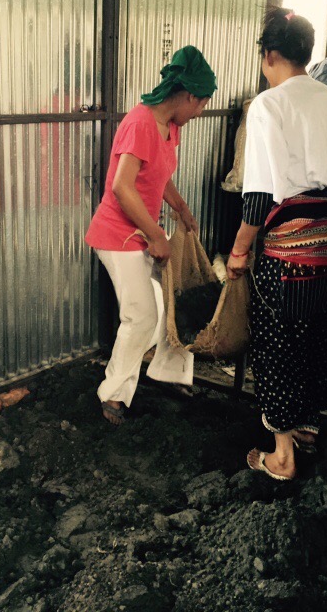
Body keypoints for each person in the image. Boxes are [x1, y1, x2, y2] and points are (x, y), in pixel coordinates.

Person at [227, 8, 327, 480]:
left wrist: (240, 250)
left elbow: (261, 195)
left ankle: (281, 454)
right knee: (324, 332)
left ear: (268, 55)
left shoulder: (270, 105)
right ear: (307, 54)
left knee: (278, 343)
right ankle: (309, 424)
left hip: (295, 248)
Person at [85, 45, 217, 425]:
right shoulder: (140, 123)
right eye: (202, 104)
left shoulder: (170, 125)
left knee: (177, 302)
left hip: (142, 230)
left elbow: (158, 174)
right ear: (189, 95)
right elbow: (123, 188)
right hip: (118, 235)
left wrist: (180, 206)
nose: (201, 112)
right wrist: (156, 234)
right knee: (141, 316)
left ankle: (169, 373)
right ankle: (113, 394)